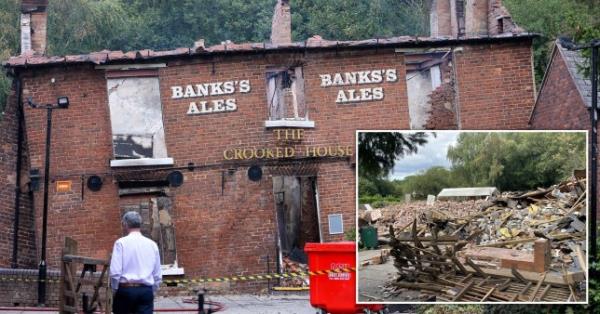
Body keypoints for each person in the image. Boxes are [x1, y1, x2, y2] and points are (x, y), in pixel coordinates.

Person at [110, 211, 162, 314]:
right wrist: (152, 290)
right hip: (145, 291)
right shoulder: (152, 244)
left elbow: (115, 273)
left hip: (125, 290)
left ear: (125, 224)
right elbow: (157, 274)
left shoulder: (121, 243)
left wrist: (115, 290)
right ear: (140, 224)